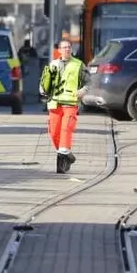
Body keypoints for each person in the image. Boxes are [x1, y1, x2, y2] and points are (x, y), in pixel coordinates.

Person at [40, 39, 89, 173]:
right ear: (59, 50)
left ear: (71, 49)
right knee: (54, 132)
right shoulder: (53, 64)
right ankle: (67, 155)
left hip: (70, 103)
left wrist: (83, 91)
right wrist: (43, 90)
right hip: (54, 103)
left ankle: (63, 159)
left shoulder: (78, 64)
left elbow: (88, 82)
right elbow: (45, 81)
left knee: (66, 129)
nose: (67, 49)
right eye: (64, 47)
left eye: (69, 47)